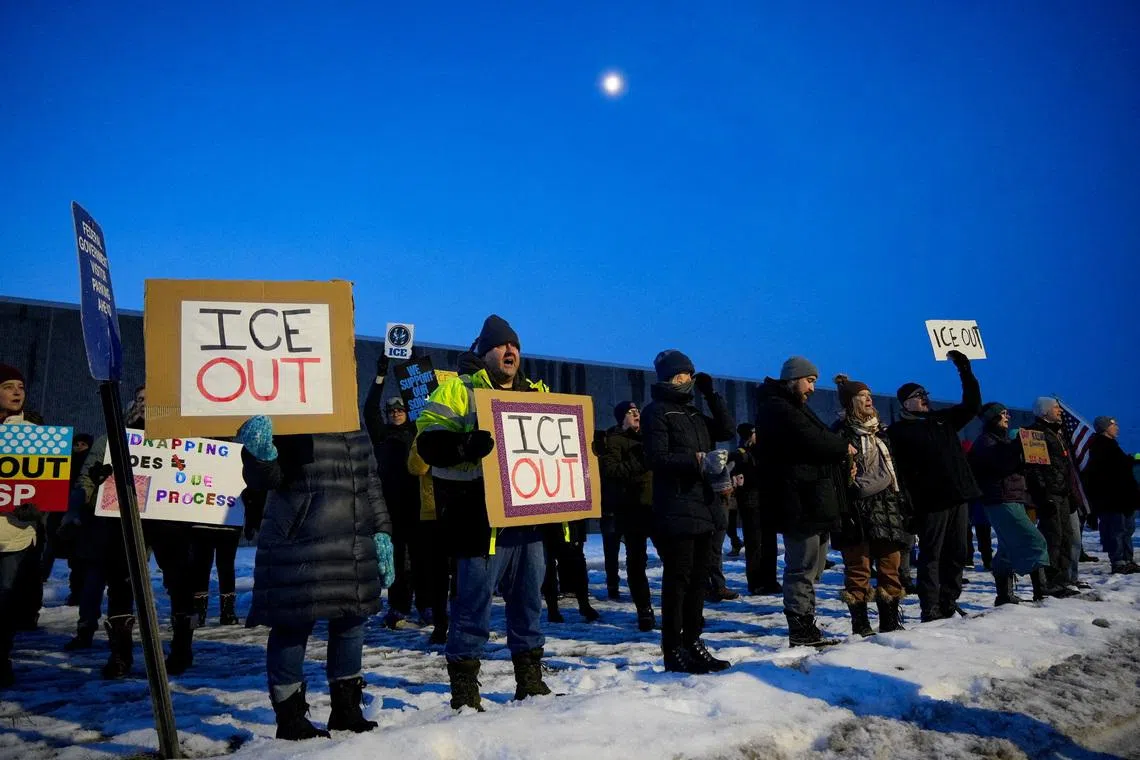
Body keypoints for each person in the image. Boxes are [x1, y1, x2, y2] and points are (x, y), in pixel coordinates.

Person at [416, 315, 557, 710]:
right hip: (477, 524)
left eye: (514, 345)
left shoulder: (537, 393)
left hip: (527, 522)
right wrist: (462, 447)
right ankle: (464, 690)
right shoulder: (458, 392)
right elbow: (427, 444)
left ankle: (530, 681)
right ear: (483, 351)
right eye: (501, 345)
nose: (510, 351)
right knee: (472, 607)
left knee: (530, 604)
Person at [238, 414, 394, 740]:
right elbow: (264, 480)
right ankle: (291, 717)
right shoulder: (289, 408)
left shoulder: (353, 416)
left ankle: (347, 710)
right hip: (300, 539)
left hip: (354, 540)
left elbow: (371, 482)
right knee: (293, 624)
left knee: (352, 622)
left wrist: (381, 531)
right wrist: (259, 453)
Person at [642, 349, 735, 673]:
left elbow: (726, 429)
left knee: (699, 580)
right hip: (676, 507)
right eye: (680, 375)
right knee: (678, 580)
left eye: (689, 375)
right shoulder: (657, 412)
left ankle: (694, 641)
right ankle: (673, 648)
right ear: (668, 377)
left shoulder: (694, 414)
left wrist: (711, 394)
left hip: (704, 505)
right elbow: (655, 458)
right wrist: (695, 460)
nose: (686, 380)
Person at [754, 357, 851, 646]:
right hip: (797, 502)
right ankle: (801, 630)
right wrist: (842, 446)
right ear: (793, 378)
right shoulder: (778, 408)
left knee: (813, 567)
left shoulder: (792, 406)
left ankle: (806, 623)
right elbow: (817, 440)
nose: (812, 388)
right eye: (809, 381)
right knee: (802, 568)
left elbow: (821, 437)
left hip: (811, 500)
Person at [887, 350, 981, 621]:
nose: (924, 398)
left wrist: (965, 369)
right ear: (906, 403)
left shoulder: (943, 420)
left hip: (958, 496)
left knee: (958, 553)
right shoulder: (898, 432)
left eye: (925, 393)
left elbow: (972, 404)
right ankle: (930, 607)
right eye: (918, 396)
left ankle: (949, 601)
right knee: (932, 554)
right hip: (930, 502)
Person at [831, 375, 909, 636]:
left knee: (890, 565)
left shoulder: (882, 434)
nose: (868, 399)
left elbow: (896, 470)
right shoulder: (840, 434)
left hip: (886, 506)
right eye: (862, 395)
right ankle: (861, 625)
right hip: (856, 509)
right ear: (851, 401)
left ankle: (889, 622)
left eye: (869, 394)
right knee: (858, 568)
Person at [967, 403, 1059, 604]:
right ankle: (1041, 590)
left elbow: (1008, 463)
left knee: (1007, 548)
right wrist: (1018, 446)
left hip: (1011, 498)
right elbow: (1000, 465)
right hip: (1001, 499)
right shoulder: (986, 442)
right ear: (993, 418)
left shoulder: (998, 440)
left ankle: (1004, 595)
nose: (1007, 416)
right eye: (1003, 414)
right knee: (1035, 540)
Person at [364, 357, 426, 627]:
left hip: (418, 504)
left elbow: (423, 403)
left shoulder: (416, 431)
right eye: (392, 412)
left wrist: (410, 369)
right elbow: (369, 410)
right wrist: (380, 376)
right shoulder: (382, 435)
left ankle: (427, 606)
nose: (396, 414)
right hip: (392, 508)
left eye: (400, 410)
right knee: (398, 561)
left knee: (424, 558)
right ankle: (399, 609)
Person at [0, 363, 46, 687]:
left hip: (14, 533)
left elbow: (46, 482)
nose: (17, 392)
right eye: (8, 386)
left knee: (5, 599)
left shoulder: (33, 430)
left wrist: (37, 508)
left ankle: (2, 657)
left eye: (21, 386)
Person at [598, 401, 656, 631]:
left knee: (673, 560)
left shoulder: (648, 439)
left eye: (638, 411)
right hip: (631, 509)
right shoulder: (613, 441)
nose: (636, 415)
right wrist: (638, 460)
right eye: (631, 413)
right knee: (636, 561)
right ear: (621, 418)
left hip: (656, 507)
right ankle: (644, 610)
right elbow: (611, 471)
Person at [1026, 397, 1088, 592]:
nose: (1059, 411)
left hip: (1063, 493)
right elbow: (1034, 468)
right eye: (1055, 408)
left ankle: (1064, 578)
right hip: (1050, 494)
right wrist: (1044, 495)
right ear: (1044, 411)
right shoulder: (1036, 433)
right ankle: (1052, 582)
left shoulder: (1057, 432)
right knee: (1053, 537)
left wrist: (1069, 492)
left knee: (1066, 537)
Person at [1083, 416, 1139, 574]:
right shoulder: (1100, 448)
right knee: (1117, 531)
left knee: (1127, 529)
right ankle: (1119, 561)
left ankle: (1128, 559)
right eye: (1113, 425)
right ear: (1104, 428)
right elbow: (1104, 475)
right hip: (1113, 500)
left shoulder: (1113, 447)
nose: (1117, 428)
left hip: (1124, 499)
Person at [729, 424, 781, 595]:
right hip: (751, 502)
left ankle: (770, 580)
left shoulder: (763, 451)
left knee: (770, 543)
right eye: (755, 433)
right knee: (754, 544)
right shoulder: (741, 454)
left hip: (767, 501)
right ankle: (756, 582)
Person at [190, 523, 242, 626]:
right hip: (228, 525)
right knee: (225, 567)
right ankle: (227, 613)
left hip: (203, 524)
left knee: (201, 567)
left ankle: (199, 615)